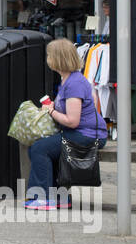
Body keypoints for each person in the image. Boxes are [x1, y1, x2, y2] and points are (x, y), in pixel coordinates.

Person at [26, 38, 107, 209]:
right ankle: (60, 197)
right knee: (43, 146)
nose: (47, 59)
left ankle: (45, 197)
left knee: (40, 149)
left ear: (57, 59)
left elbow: (72, 121)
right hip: (84, 132)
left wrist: (51, 111)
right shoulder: (70, 79)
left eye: (49, 55)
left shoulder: (74, 83)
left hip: (87, 135)